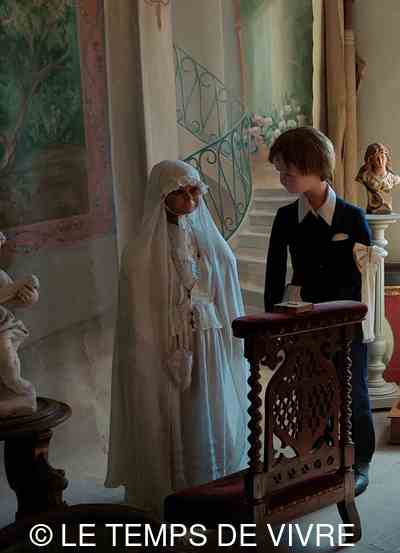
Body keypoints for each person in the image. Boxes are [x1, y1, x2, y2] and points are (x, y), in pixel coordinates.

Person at [106, 160, 251, 513]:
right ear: (162, 196)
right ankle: (173, 485)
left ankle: (209, 480)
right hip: (165, 344)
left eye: (194, 191)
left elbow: (223, 268)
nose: (190, 199)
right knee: (172, 409)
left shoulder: (203, 237)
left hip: (206, 336)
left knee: (206, 400)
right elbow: (140, 308)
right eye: (180, 192)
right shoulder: (140, 253)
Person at [263, 126, 375, 497]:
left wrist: (358, 322)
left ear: (314, 166)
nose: (282, 177)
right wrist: (271, 328)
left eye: (288, 170)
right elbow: (274, 276)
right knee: (308, 390)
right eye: (280, 170)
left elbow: (365, 280)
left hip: (346, 322)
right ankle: (315, 457)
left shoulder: (352, 217)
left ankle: (359, 462)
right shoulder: (285, 218)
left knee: (353, 390)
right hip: (302, 321)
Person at [0, 231, 38, 418]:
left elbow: (13, 299)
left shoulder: (0, 276)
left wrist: (29, 297)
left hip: (2, 327)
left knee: (5, 357)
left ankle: (22, 390)